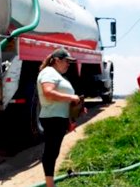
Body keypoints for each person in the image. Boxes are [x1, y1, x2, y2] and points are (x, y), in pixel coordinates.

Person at [37, 47, 81, 187]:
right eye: (66, 61)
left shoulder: (56, 74)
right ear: (56, 60)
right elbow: (48, 93)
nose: (69, 64)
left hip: (58, 118)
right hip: (52, 118)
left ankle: (50, 183)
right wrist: (71, 97)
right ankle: (50, 185)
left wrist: (77, 107)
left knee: (53, 151)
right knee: (51, 151)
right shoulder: (49, 72)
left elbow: (61, 98)